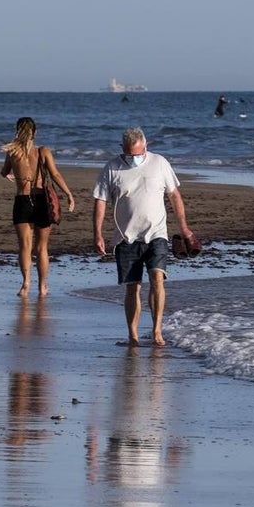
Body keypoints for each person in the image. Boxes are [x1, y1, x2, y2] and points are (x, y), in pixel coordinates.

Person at [93, 128, 196, 347]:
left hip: (156, 234)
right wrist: (98, 234)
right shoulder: (112, 168)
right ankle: (133, 334)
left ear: (146, 146)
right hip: (125, 237)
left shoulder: (160, 163)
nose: (134, 159)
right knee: (133, 287)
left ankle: (157, 330)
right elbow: (100, 201)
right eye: (130, 155)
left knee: (157, 279)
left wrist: (185, 228)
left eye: (138, 154)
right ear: (122, 149)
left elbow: (174, 196)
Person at [0, 117, 76, 297]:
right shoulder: (43, 152)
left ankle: (25, 283)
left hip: (22, 200)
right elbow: (55, 174)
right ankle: (42, 286)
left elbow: (4, 172)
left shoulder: (12, 152)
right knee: (42, 248)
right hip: (42, 200)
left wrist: (10, 176)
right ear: (35, 133)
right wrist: (68, 194)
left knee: (24, 247)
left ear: (17, 131)